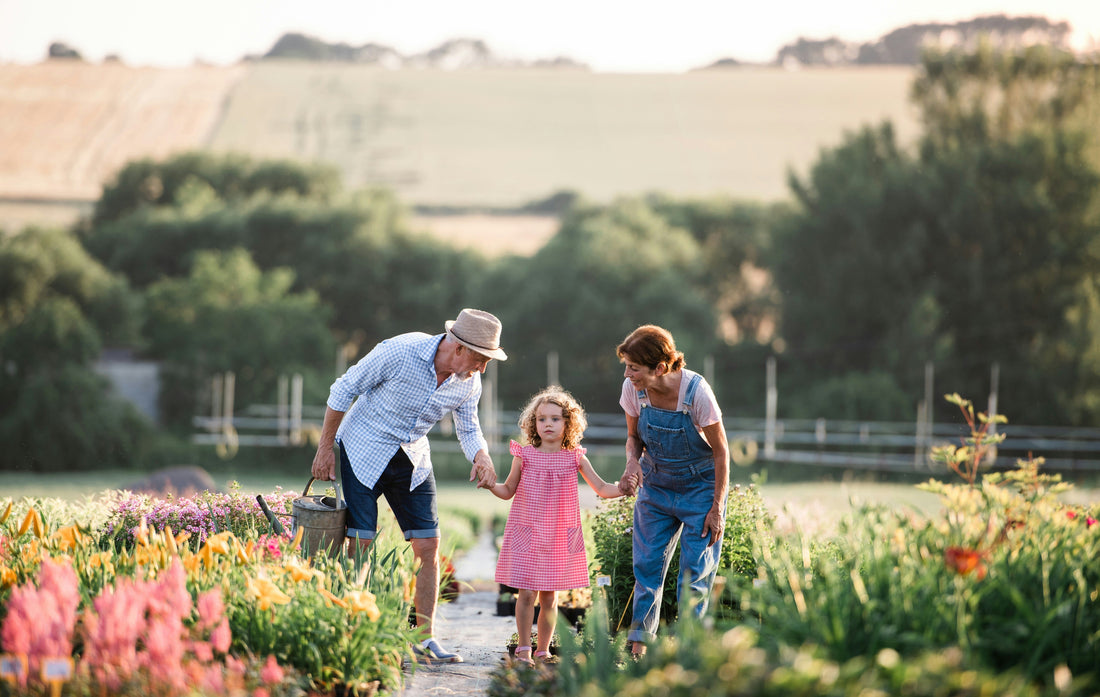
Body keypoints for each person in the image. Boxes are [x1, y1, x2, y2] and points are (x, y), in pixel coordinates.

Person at [310, 308, 507, 664]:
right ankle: (353, 628)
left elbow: (468, 426)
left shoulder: (468, 381)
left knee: (429, 544)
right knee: (361, 539)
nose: (482, 368)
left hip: (412, 457)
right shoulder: (400, 352)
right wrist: (325, 447)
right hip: (364, 445)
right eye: (480, 359)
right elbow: (344, 389)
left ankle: (424, 637)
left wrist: (482, 457)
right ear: (459, 348)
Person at [488, 386, 633, 665]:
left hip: (558, 534)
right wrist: (489, 484)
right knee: (526, 593)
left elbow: (602, 487)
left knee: (550, 596)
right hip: (526, 531)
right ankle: (523, 648)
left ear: (568, 423)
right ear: (534, 423)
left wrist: (624, 488)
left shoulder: (575, 457)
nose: (548, 424)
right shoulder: (525, 455)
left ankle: (543, 650)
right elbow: (507, 490)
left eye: (555, 418)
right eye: (542, 419)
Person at [616, 325, 729, 657]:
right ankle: (638, 648)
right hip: (656, 487)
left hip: (701, 490)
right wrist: (631, 464)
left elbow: (722, 451)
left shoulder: (697, 393)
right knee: (647, 567)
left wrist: (716, 508)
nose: (627, 374)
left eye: (634, 367)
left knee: (694, 576)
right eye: (626, 366)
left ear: (660, 368)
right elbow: (634, 438)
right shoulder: (632, 390)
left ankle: (688, 655)